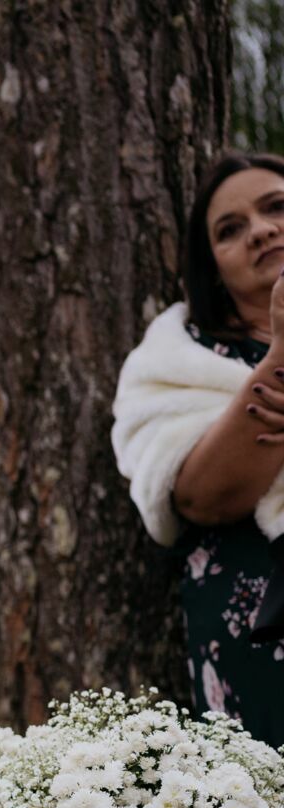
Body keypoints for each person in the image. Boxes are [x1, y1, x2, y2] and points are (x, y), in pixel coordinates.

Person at [114, 152, 284, 749]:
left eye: (276, 207)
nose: (260, 230)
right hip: (262, 629)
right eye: (230, 229)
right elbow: (201, 497)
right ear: (211, 267)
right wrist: (281, 358)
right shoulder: (178, 358)